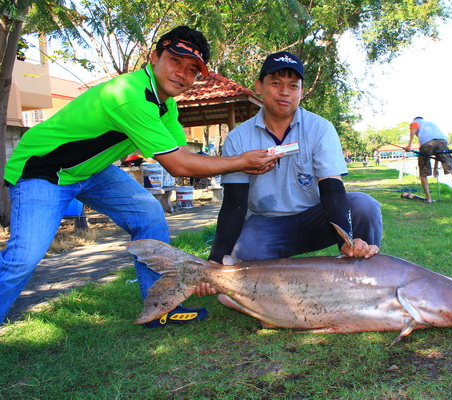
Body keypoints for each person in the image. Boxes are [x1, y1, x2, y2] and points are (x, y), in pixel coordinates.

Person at [0, 26, 280, 327]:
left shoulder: (166, 105)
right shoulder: (130, 96)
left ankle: (159, 307)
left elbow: (185, 154)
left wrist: (239, 162)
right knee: (24, 257)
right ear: (154, 56)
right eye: (175, 61)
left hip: (91, 171)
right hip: (43, 171)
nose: (182, 75)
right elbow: (179, 166)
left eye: (192, 70)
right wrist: (240, 161)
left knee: (149, 214)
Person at [205, 51, 382, 276]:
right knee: (245, 255)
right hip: (266, 223)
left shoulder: (320, 128)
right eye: (276, 83)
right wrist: (215, 259)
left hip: (316, 218)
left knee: (365, 206)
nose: (284, 93)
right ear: (259, 86)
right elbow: (234, 204)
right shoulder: (238, 138)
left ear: (301, 91)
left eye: (293, 86)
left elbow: (331, 189)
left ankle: (362, 272)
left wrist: (345, 239)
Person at [406, 116, 452, 203]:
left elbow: (413, 131)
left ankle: (428, 198)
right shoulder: (430, 124)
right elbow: (437, 153)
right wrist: (435, 168)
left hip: (426, 143)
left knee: (423, 171)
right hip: (442, 141)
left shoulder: (415, 122)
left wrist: (409, 145)